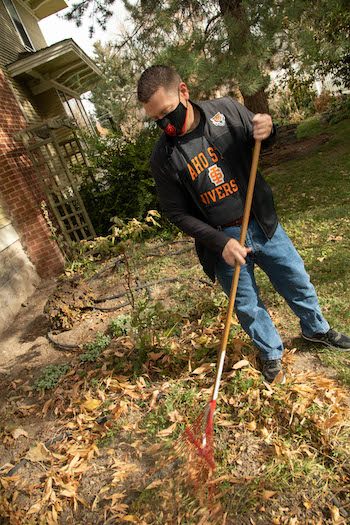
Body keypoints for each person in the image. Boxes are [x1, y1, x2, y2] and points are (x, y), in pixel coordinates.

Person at [137, 65, 350, 383]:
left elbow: (262, 137)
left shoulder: (225, 111)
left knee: (295, 279)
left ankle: (317, 330)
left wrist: (269, 128)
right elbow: (176, 214)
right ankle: (271, 353)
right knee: (247, 303)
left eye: (168, 113)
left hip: (262, 222)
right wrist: (221, 243)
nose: (166, 126)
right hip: (221, 240)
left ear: (184, 92)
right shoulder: (164, 158)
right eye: (157, 120)